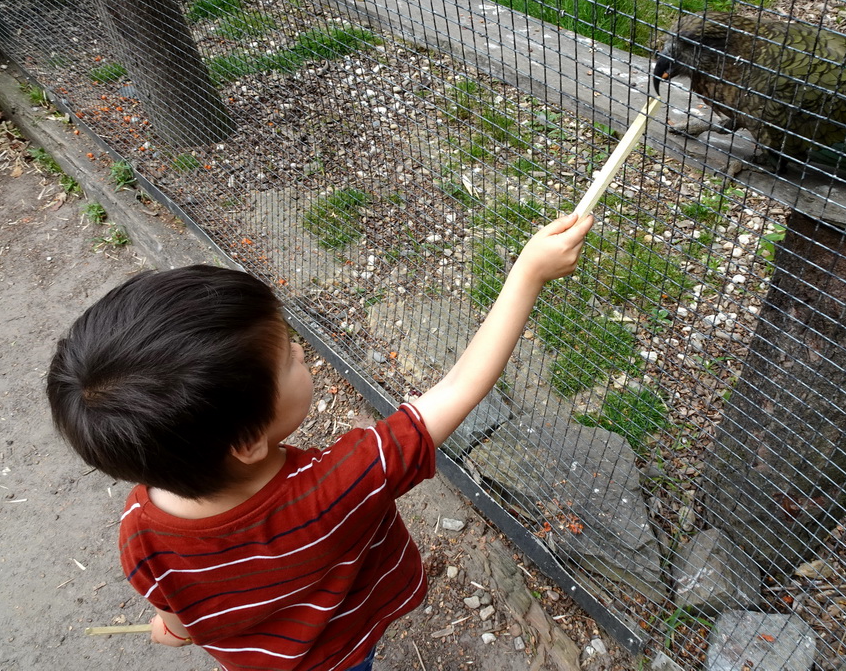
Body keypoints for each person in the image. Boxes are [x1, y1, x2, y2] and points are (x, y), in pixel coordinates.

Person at [47, 211, 593, 671]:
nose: (302, 354)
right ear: (248, 439)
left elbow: (174, 613)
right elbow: (459, 387)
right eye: (289, 357)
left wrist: (175, 630)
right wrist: (527, 276)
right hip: (340, 651)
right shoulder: (344, 483)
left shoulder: (139, 531)